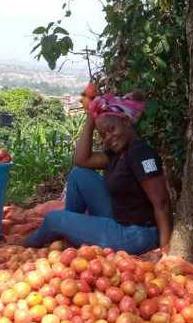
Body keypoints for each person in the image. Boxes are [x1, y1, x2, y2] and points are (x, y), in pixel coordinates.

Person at [23, 92, 172, 255]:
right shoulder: (117, 152)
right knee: (79, 174)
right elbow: (82, 160)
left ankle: (25, 244)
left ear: (126, 121)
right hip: (119, 217)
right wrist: (90, 117)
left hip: (136, 234)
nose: (108, 137)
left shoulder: (141, 154)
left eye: (111, 129)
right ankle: (69, 230)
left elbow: (162, 203)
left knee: (53, 219)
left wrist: (165, 250)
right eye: (102, 134)